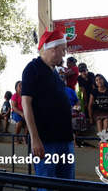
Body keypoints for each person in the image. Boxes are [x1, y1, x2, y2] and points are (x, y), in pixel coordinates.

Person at [22, 28, 75, 190]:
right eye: (63, 50)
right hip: (46, 142)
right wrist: (35, 138)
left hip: (65, 140)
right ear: (54, 49)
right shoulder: (32, 69)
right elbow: (26, 104)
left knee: (68, 185)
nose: (65, 54)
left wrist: (70, 134)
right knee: (47, 186)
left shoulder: (55, 73)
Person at [60, 75, 86, 147]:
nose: (62, 82)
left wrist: (78, 107)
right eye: (61, 80)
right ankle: (70, 139)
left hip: (72, 108)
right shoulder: (55, 90)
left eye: (64, 80)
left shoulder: (70, 90)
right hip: (61, 109)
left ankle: (75, 137)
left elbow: (77, 101)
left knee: (81, 116)